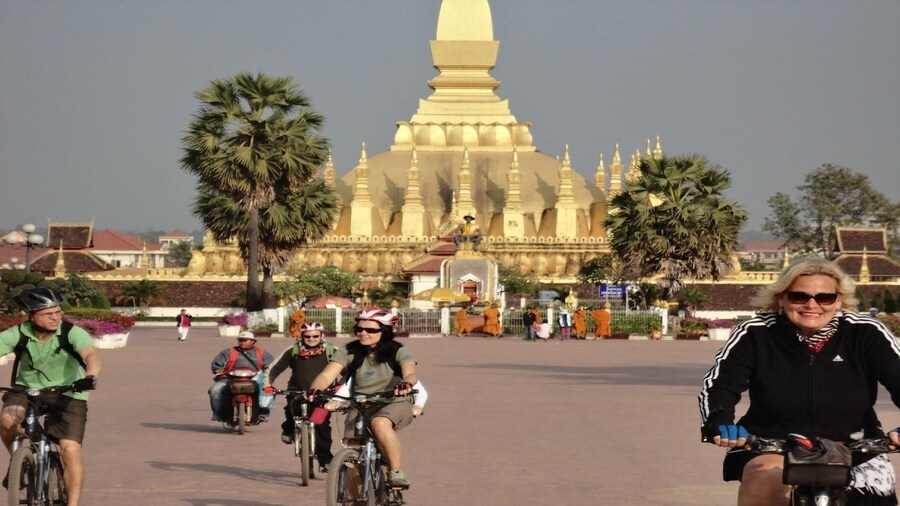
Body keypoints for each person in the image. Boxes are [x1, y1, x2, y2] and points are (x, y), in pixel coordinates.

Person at [699, 258, 900, 506]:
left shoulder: (866, 332)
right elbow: (720, 386)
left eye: (824, 297)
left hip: (858, 446)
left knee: (874, 496)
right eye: (798, 296)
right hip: (771, 444)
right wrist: (718, 419)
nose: (811, 305)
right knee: (764, 477)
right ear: (781, 298)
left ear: (838, 300)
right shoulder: (755, 332)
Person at [0, 287, 101, 506]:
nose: (55, 317)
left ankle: (72, 504)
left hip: (69, 392)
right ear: (31, 315)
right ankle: (22, 461)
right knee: (7, 420)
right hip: (26, 390)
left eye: (58, 311)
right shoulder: (18, 333)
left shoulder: (71, 332)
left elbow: (91, 355)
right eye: (48, 313)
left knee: (70, 449)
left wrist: (90, 376)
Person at [306, 307, 418, 488]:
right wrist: (315, 389)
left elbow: (410, 372)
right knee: (351, 454)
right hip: (359, 403)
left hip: (394, 402)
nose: (363, 333)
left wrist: (406, 384)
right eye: (359, 329)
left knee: (379, 424)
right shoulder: (349, 351)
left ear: (385, 331)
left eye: (371, 330)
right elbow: (327, 375)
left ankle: (396, 472)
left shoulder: (398, 351)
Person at [264, 322, 336, 472]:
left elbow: (349, 371)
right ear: (301, 336)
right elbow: (273, 369)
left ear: (322, 335)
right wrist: (268, 384)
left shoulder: (332, 351)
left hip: (322, 395)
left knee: (321, 426)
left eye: (315, 336)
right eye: (307, 336)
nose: (311, 339)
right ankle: (289, 429)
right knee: (291, 410)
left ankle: (325, 461)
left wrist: (339, 386)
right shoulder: (293, 350)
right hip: (297, 392)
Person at [209, 331, 274, 422]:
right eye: (240, 340)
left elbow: (271, 365)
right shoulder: (228, 352)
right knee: (215, 390)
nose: (241, 342)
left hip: (254, 378)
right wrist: (218, 369)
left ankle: (263, 413)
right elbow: (217, 364)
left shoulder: (262, 353)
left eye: (244, 340)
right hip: (231, 378)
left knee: (268, 390)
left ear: (253, 341)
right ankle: (218, 413)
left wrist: (267, 373)